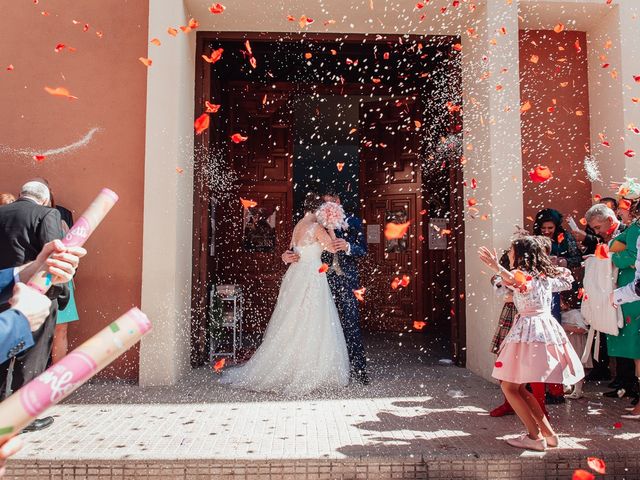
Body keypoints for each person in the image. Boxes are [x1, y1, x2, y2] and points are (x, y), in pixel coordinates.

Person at [220, 192, 350, 394]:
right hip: (311, 276)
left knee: (293, 319)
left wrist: (285, 257)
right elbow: (333, 249)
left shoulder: (299, 225)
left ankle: (287, 363)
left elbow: (291, 252)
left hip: (295, 275)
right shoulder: (316, 227)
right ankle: (304, 367)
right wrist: (332, 227)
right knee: (311, 320)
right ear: (319, 210)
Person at [478, 237, 584, 451]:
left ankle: (534, 437)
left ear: (521, 255)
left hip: (528, 333)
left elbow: (518, 281)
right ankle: (548, 434)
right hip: (544, 331)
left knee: (509, 385)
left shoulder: (524, 277)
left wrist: (496, 266)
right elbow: (564, 280)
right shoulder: (543, 277)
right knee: (517, 386)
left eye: (512, 251)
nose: (509, 254)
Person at [0, 180, 68, 432]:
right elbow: (55, 258)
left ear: (20, 195)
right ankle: (24, 416)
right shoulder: (47, 214)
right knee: (33, 356)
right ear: (44, 199)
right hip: (36, 294)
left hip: (3, 291)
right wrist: (60, 295)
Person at [282, 188, 369, 384]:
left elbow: (363, 250)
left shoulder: (353, 221)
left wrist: (347, 246)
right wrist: (285, 256)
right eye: (323, 205)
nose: (325, 208)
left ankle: (359, 370)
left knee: (351, 323)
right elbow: (296, 249)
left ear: (337, 201)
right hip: (322, 280)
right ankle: (329, 369)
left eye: (329, 204)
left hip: (347, 279)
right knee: (326, 326)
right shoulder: (315, 223)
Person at [585, 203, 638, 402]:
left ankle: (631, 384)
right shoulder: (609, 236)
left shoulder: (630, 230)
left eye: (598, 228)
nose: (597, 232)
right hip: (617, 291)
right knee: (619, 334)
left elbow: (631, 257)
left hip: (631, 290)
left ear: (609, 219)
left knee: (630, 338)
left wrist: (610, 257)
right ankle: (623, 381)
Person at [49, 191, 80, 363]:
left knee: (60, 330)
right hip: (39, 277)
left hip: (62, 280)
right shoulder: (31, 217)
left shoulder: (63, 218)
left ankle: (58, 378)